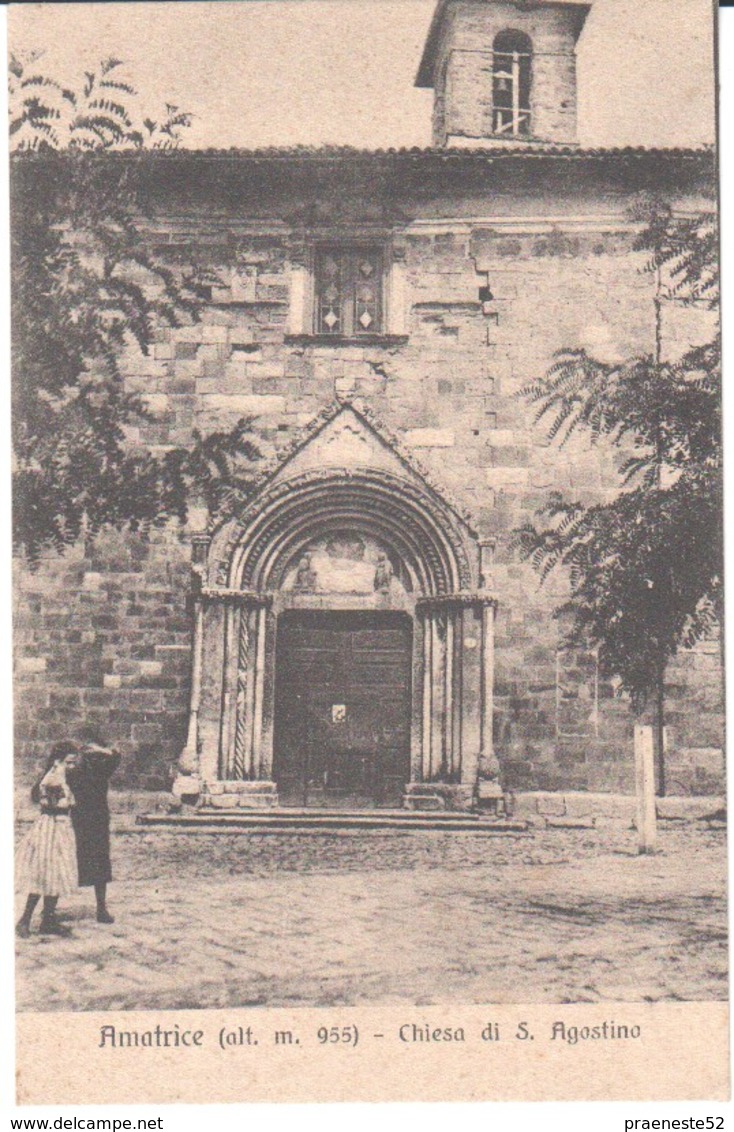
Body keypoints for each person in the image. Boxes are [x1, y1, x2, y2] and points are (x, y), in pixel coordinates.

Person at [16, 742, 79, 937]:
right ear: (57, 761)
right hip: (51, 828)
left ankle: (48, 920)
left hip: (60, 826)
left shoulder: (60, 777)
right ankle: (24, 920)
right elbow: (51, 806)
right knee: (44, 873)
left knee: (57, 873)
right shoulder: (53, 778)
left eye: (74, 763)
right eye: (69, 762)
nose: (72, 767)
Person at [67, 741, 121, 924]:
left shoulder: (101, 772)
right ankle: (48, 909)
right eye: (91, 756)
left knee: (100, 865)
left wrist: (99, 749)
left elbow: (116, 755)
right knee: (66, 863)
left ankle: (101, 909)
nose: (95, 759)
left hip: (98, 823)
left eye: (96, 756)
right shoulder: (73, 772)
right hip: (78, 822)